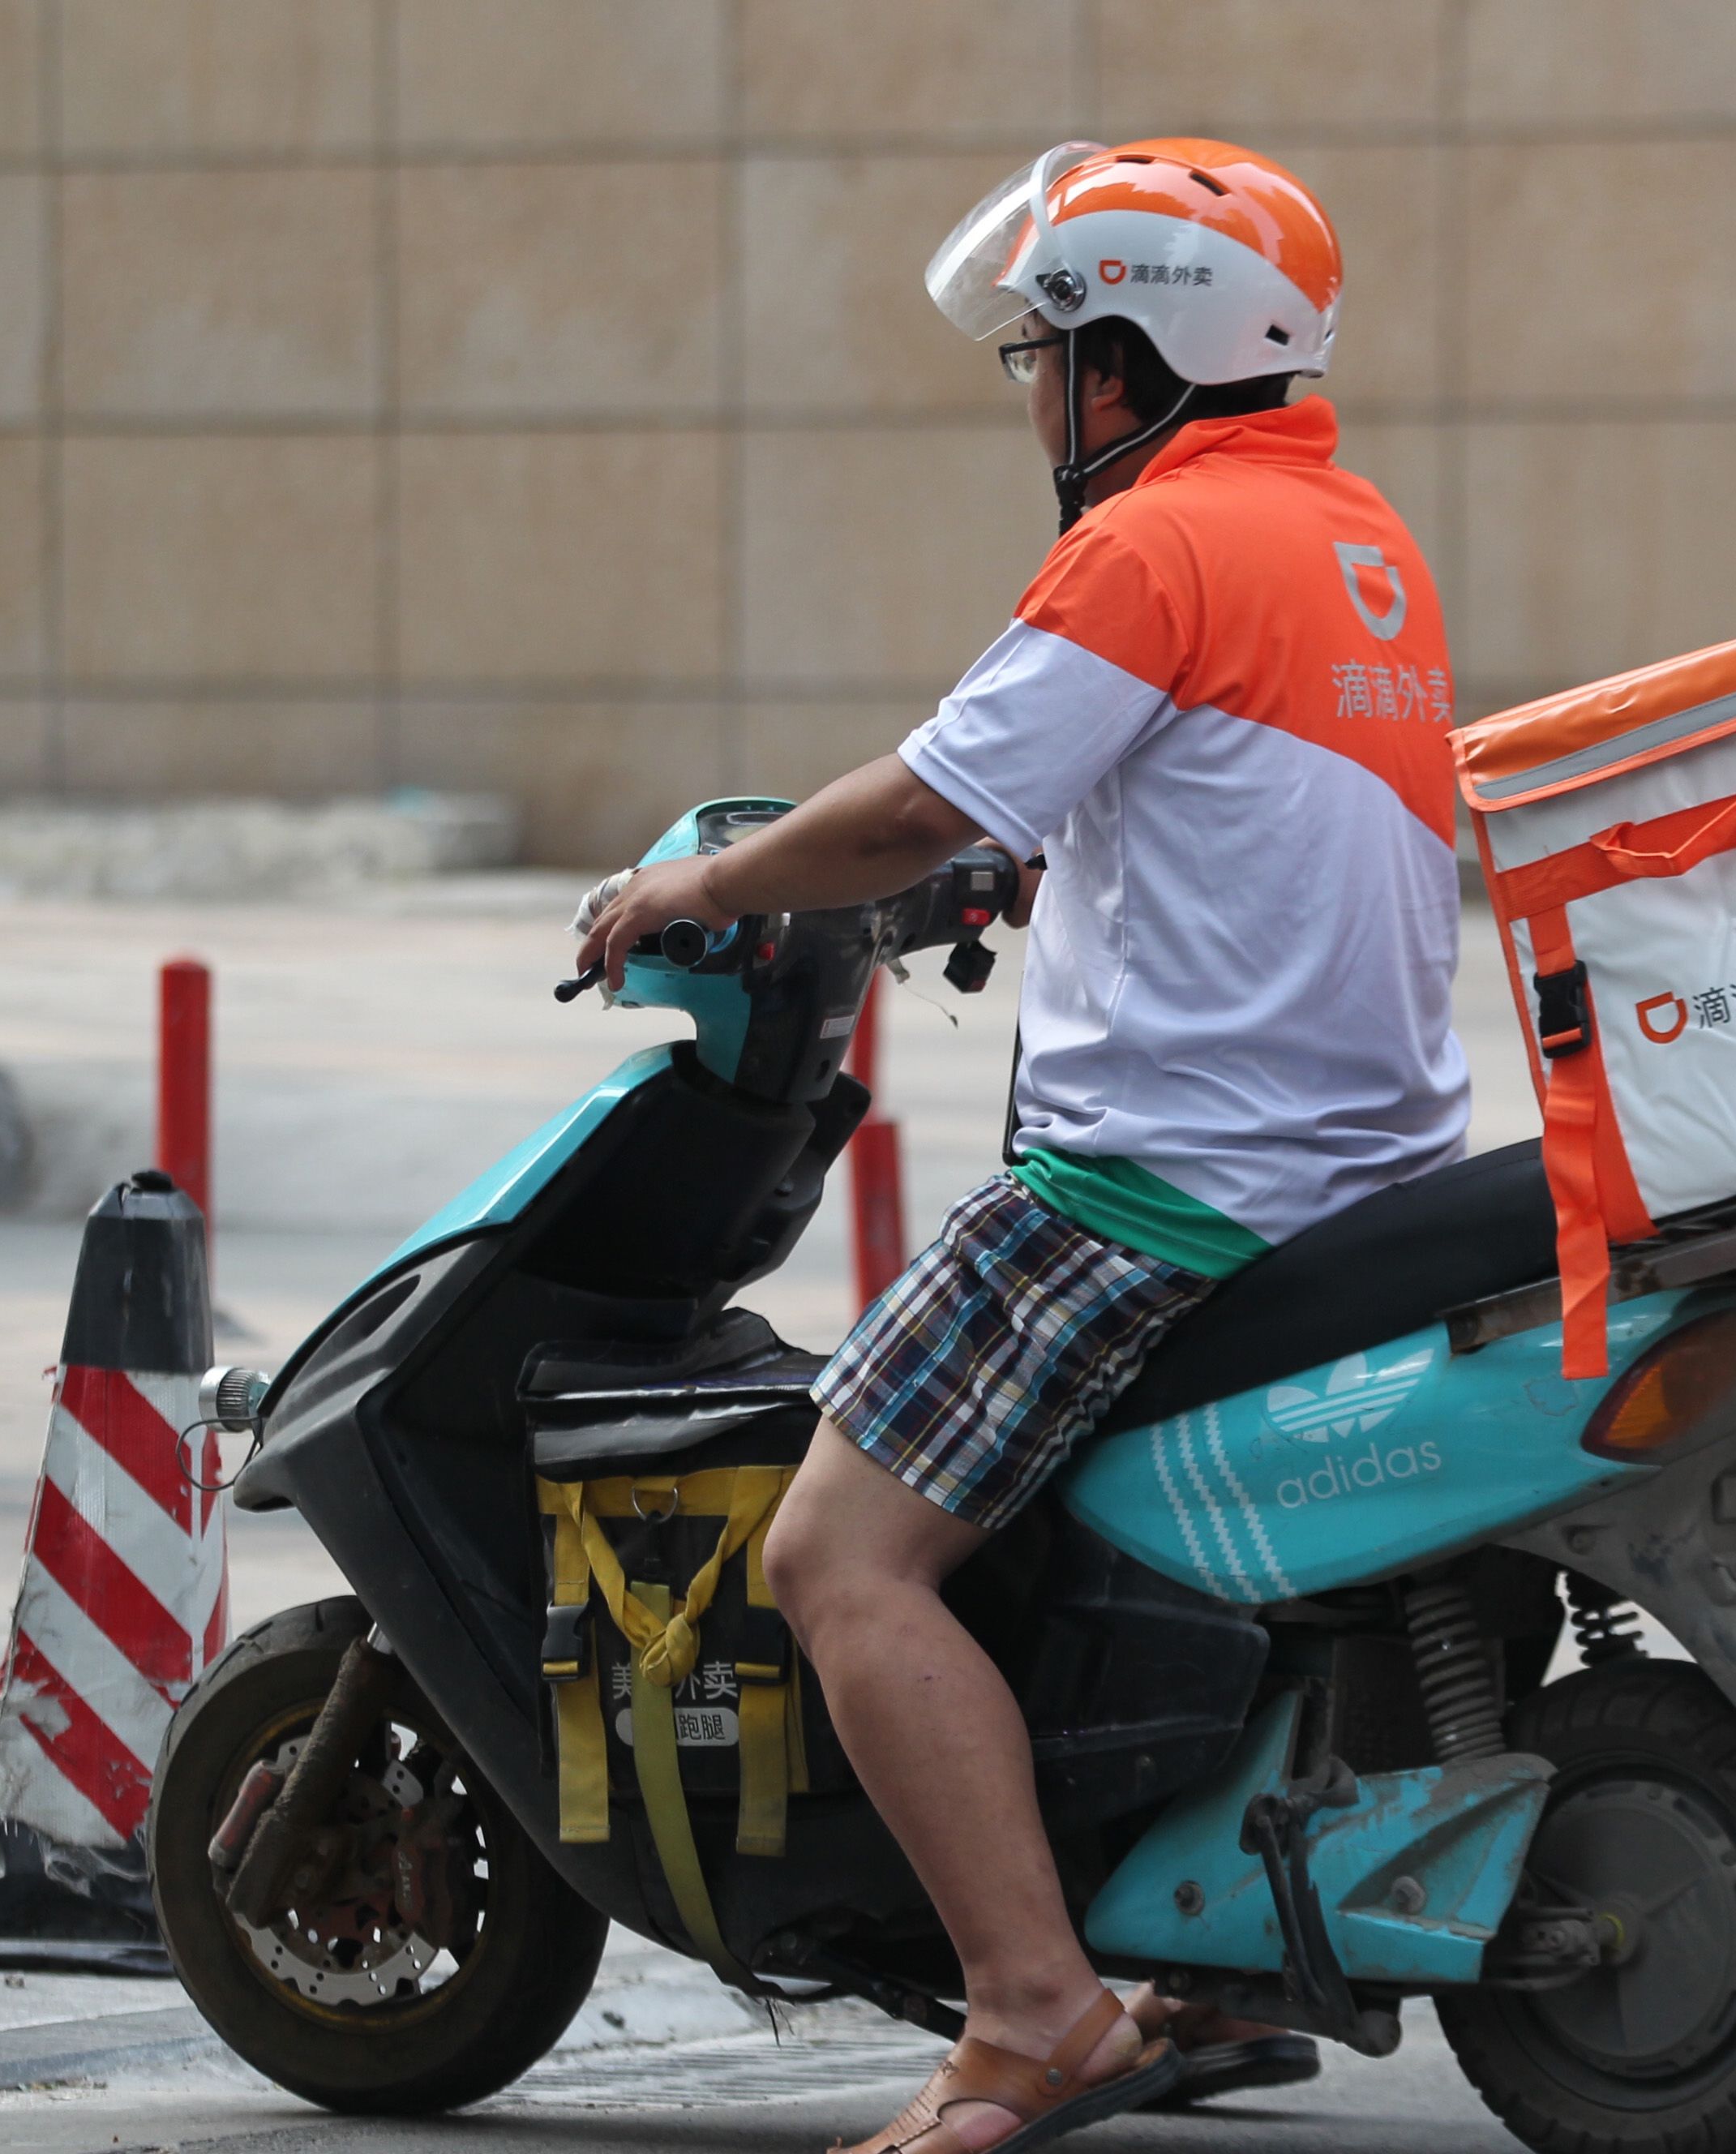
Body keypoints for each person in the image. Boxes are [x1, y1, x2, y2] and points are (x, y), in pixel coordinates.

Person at [576, 138, 1469, 2154]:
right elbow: (1206, 811)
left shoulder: (1148, 547)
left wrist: (698, 886)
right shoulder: (1351, 537)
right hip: (1365, 1165)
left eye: (1050, 358)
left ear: (1139, 358)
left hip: (1162, 1178)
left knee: (839, 1553)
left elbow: (913, 808)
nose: (1039, 400)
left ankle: (1032, 2012)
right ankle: (1208, 1956)